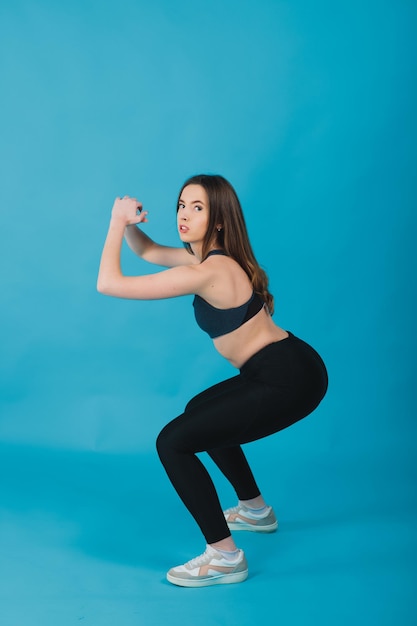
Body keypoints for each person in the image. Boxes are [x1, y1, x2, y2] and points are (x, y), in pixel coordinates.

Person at [97, 174, 328, 588]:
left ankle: (224, 556)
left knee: (172, 441)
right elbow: (148, 251)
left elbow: (109, 284)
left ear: (219, 219)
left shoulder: (212, 270)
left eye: (197, 207)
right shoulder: (203, 261)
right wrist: (133, 225)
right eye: (182, 205)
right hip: (277, 367)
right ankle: (255, 510)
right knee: (200, 413)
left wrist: (115, 222)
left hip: (289, 377)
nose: (184, 214)